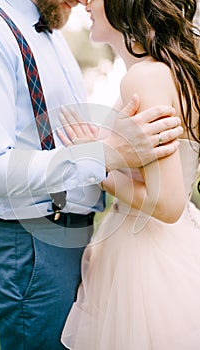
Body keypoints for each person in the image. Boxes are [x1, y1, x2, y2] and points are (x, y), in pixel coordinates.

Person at [0, 0, 183, 349]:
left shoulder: (55, 35)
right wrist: (104, 154)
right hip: (33, 242)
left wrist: (104, 152)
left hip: (77, 239)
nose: (86, 0)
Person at [60, 0, 200, 349]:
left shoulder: (146, 77)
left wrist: (97, 164)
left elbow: (167, 204)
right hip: (163, 244)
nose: (86, 2)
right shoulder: (166, 72)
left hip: (148, 257)